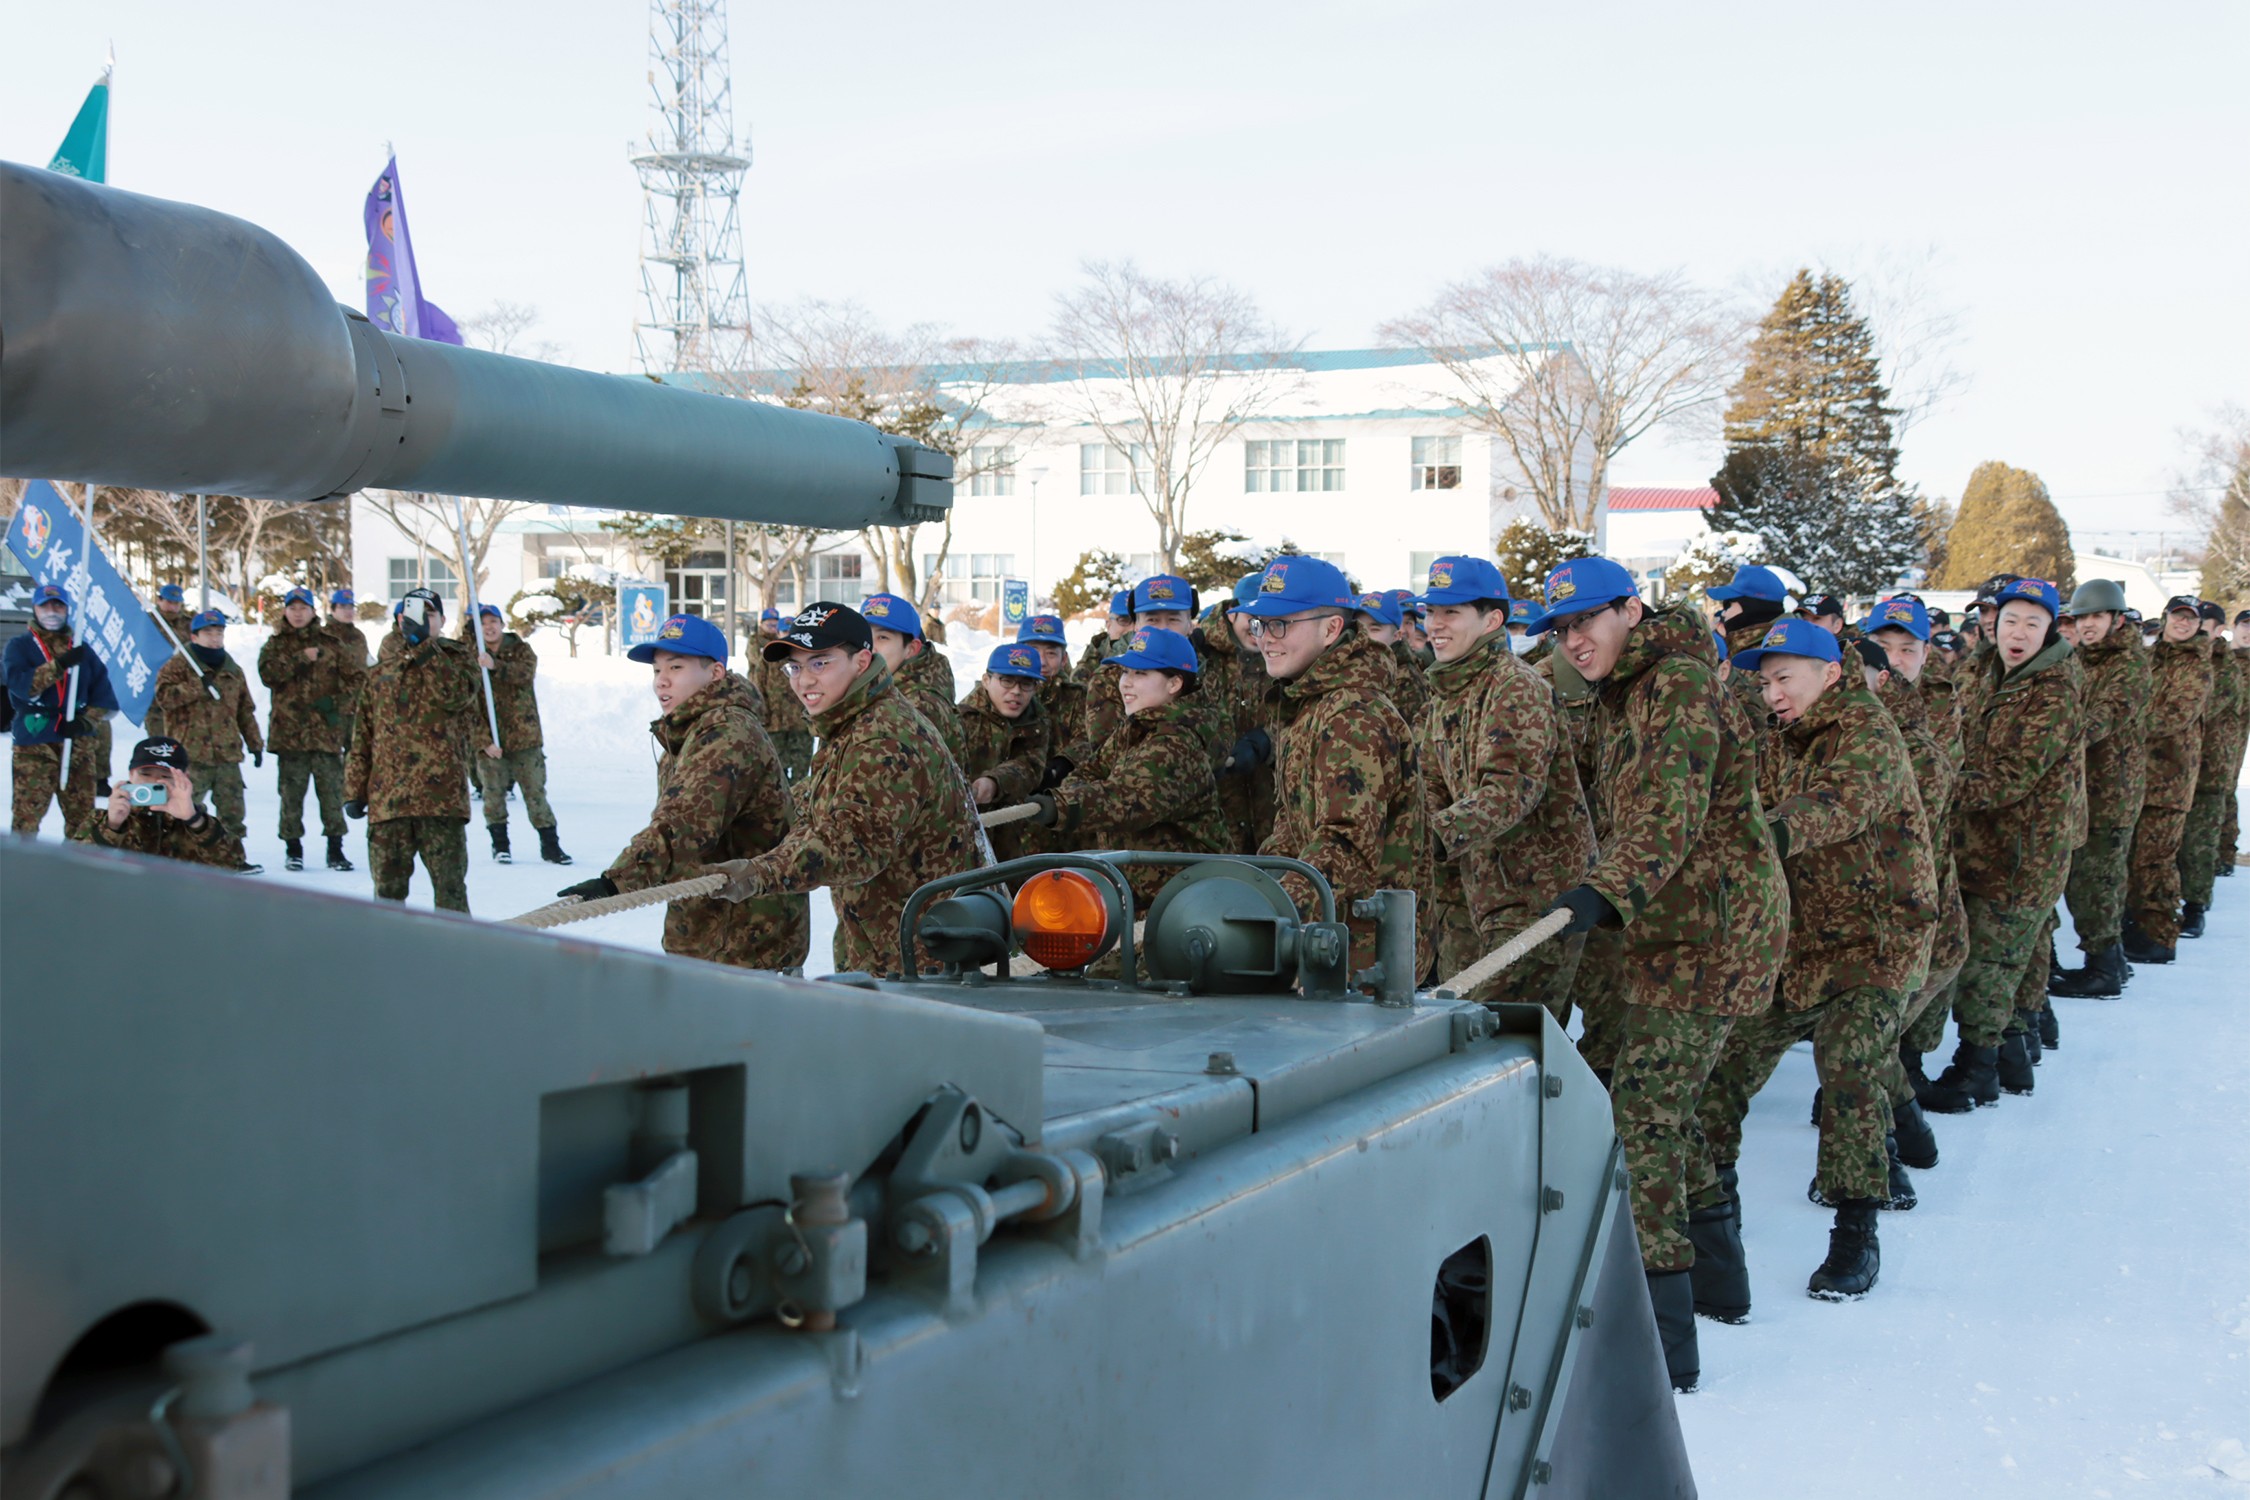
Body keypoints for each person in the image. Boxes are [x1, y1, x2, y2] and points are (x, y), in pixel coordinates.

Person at [1526, 556, 1789, 1393]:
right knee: (1668, 1107)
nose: (1575, 641)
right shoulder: (1621, 690)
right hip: (1671, 924)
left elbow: (1668, 811)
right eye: (1563, 630)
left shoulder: (1674, 685)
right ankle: (1720, 1282)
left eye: (1587, 623)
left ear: (1632, 612)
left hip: (1715, 928)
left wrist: (1605, 890)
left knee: (1643, 1114)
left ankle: (1662, 1343)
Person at [1690, 619, 1937, 1306]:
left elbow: (1838, 804)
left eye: (1785, 677)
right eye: (1765, 680)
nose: (1772, 693)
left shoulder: (1869, 733)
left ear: (1831, 673)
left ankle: (1856, 1230)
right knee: (1724, 1066)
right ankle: (1717, 1211)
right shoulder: (1776, 739)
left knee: (1851, 1066)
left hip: (1877, 941)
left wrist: (1763, 833)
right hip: (1800, 941)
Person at [710, 602, 984, 975]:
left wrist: (759, 873)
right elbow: (824, 799)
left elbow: (853, 843)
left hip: (925, 956)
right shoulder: (852, 720)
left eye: (820, 662)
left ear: (861, 661)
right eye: (796, 666)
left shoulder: (884, 734)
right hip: (889, 943)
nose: (804, 680)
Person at [558, 613, 809, 971]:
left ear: (716, 673)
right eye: (657, 671)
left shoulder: (727, 734)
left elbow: (684, 825)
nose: (662, 681)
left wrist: (617, 882)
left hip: (745, 942)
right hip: (708, 932)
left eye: (676, 667)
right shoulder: (691, 733)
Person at [1923, 578, 2085, 1110]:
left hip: (2024, 850)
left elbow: (2014, 776)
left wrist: (1933, 786)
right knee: (2001, 957)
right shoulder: (1988, 670)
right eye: (2009, 621)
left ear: (2051, 630)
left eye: (2031, 625)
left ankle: (1978, 1068)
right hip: (1980, 841)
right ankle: (2012, 1057)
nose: (2016, 633)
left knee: (1990, 963)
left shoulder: (2053, 689)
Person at [1413, 555, 1595, 1019]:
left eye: (1450, 612)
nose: (1435, 624)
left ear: (1493, 619)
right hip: (1472, 895)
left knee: (1501, 1043)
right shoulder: (1447, 691)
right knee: (1459, 1032)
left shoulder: (1515, 686)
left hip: (1532, 900)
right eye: (1431, 612)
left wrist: (1427, 837)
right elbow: (1432, 783)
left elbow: (1510, 791)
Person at [1233, 555, 1423, 983]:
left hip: (1364, 950)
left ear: (1331, 629)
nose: (1266, 638)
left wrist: (1271, 913)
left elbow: (1346, 842)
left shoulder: (1352, 714)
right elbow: (1294, 824)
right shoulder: (1307, 702)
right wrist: (1249, 890)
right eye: (1262, 624)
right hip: (1323, 933)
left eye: (1282, 623)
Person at [1034, 626, 1229, 901]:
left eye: (1140, 673)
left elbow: (1128, 800)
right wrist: (1070, 794)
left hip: (1189, 902)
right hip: (1144, 897)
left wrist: (1060, 806)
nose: (1125, 682)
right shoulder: (1136, 727)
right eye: (1125, 672)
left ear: (1174, 684)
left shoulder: (1177, 742)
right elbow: (1091, 770)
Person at [344, 588, 481, 913]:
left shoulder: (459, 659)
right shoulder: (379, 672)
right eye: (412, 616)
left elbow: (455, 695)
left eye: (429, 615)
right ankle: (390, 959)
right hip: (388, 802)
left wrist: (425, 649)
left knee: (450, 893)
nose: (421, 621)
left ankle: (453, 958)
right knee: (388, 895)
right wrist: (353, 789)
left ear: (442, 621)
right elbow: (362, 736)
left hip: (441, 802)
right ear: (399, 620)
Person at [2047, 580, 2150, 997]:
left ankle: (2103, 968)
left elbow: (2107, 715)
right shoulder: (2083, 658)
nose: (2088, 625)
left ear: (2117, 619)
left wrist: (2050, 737)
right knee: (2091, 880)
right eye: (2081, 618)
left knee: (2097, 882)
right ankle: (2113, 962)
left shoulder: (2129, 663)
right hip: (2084, 788)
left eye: (2096, 617)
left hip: (2110, 793)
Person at [2122, 596, 2214, 966]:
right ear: (2166, 618)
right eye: (2178, 616)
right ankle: (2135, 926)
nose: (2183, 623)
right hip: (2134, 776)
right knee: (2131, 858)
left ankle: (2160, 936)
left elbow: (2177, 713)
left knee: (2156, 860)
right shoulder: (2148, 658)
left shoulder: (2196, 666)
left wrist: (2127, 726)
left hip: (2170, 779)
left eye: (2190, 619)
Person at [147, 608, 264, 867]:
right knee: (182, 809)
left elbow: (245, 710)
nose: (214, 638)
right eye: (208, 633)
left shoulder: (232, 669)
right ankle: (175, 856)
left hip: (226, 754)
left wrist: (255, 743)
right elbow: (164, 699)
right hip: (190, 754)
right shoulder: (178, 666)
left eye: (219, 632)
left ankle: (233, 858)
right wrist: (197, 687)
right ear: (194, 636)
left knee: (233, 812)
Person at [6, 582, 116, 839]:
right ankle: (21, 872)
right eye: (45, 605)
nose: (51, 611)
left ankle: (77, 873)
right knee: (26, 817)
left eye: (58, 605)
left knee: (83, 818)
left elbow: (105, 699)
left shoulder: (81, 649)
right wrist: (60, 665)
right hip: (34, 744)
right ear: (34, 608)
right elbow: (22, 686)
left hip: (77, 746)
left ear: (67, 610)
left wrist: (86, 722)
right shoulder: (19, 647)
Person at [259, 586, 354, 873]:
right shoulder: (275, 645)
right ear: (285, 611)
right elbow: (268, 675)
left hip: (326, 734)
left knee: (332, 795)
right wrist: (301, 658)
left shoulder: (333, 644)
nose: (298, 613)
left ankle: (335, 850)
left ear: (313, 611)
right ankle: (293, 849)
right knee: (291, 796)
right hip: (290, 736)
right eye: (292, 608)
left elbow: (356, 681)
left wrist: (336, 704)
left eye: (303, 608)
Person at [468, 603, 571, 866]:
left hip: (525, 739)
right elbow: (468, 705)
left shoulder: (521, 649)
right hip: (491, 743)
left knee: (535, 794)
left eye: (493, 622)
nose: (489, 628)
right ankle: (500, 845)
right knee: (493, 795)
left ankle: (551, 846)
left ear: (502, 625)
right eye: (483, 623)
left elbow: (524, 674)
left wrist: (495, 665)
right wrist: (484, 741)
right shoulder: (469, 657)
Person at [2178, 601, 2246, 937]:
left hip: (2210, 766)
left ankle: (2195, 907)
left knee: (2199, 841)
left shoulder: (2225, 666)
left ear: (2219, 630)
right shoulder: (2182, 659)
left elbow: (2203, 708)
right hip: (2177, 767)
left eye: (2204, 627)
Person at [80, 735, 246, 869]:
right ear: (131, 775)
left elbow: (233, 863)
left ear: (184, 778)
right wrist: (112, 826)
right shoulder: (102, 820)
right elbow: (77, 868)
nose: (155, 781)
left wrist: (194, 821)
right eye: (146, 774)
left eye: (166, 776)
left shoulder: (197, 824)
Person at [957, 642, 1052, 861]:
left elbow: (1031, 765)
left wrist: (994, 782)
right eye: (1007, 681)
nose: (1016, 691)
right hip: (968, 839)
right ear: (986, 680)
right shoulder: (960, 719)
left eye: (1026, 683)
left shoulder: (1038, 720)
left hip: (1016, 836)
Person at [861, 592, 961, 762]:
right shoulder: (882, 684)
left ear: (911, 649)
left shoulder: (917, 706)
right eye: (864, 636)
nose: (869, 647)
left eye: (882, 637)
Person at [752, 607, 814, 781]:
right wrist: (762, 715)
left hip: (800, 724)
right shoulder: (768, 659)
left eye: (791, 632)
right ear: (777, 634)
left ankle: (800, 805)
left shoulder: (807, 658)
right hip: (775, 723)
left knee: (801, 770)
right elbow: (759, 688)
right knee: (777, 772)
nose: (787, 636)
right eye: (784, 632)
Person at [1355, 590, 1428, 724]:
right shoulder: (1364, 665)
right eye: (1400, 619)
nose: (1404, 629)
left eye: (1409, 623)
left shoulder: (1403, 675)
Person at [325, 588, 371, 753]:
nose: (348, 611)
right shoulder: (324, 635)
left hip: (356, 707)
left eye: (351, 607)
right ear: (333, 609)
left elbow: (365, 667)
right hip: (332, 708)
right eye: (343, 607)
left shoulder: (358, 636)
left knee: (357, 755)